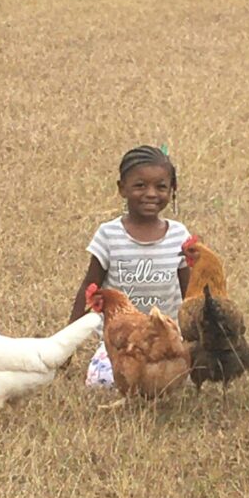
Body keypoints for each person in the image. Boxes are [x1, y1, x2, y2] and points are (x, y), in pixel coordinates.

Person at [69, 145, 192, 386]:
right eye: (139, 186)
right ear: (121, 189)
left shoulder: (179, 236)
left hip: (166, 341)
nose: (150, 193)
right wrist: (67, 346)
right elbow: (90, 287)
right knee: (102, 380)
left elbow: (191, 296)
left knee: (178, 377)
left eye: (161, 187)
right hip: (121, 344)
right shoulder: (109, 235)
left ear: (173, 190)